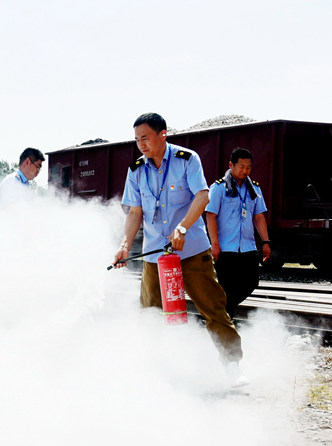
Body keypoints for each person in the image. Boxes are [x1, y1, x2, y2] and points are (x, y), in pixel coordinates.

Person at [112, 112, 248, 387]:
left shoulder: (187, 159)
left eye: (145, 138)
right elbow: (135, 212)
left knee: (213, 307)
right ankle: (151, 373)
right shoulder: (135, 170)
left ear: (163, 134)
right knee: (150, 314)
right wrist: (124, 245)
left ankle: (232, 366)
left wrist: (183, 227)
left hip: (192, 251)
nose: (140, 144)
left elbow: (203, 195)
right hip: (155, 255)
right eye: (137, 139)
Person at [206, 148, 271, 320]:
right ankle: (225, 322)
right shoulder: (219, 188)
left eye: (248, 167)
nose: (245, 171)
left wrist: (265, 242)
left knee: (251, 282)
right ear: (231, 165)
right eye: (241, 167)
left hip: (248, 247)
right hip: (226, 248)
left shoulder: (254, 189)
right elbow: (211, 216)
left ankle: (219, 314)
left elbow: (258, 217)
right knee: (227, 287)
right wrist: (215, 244)